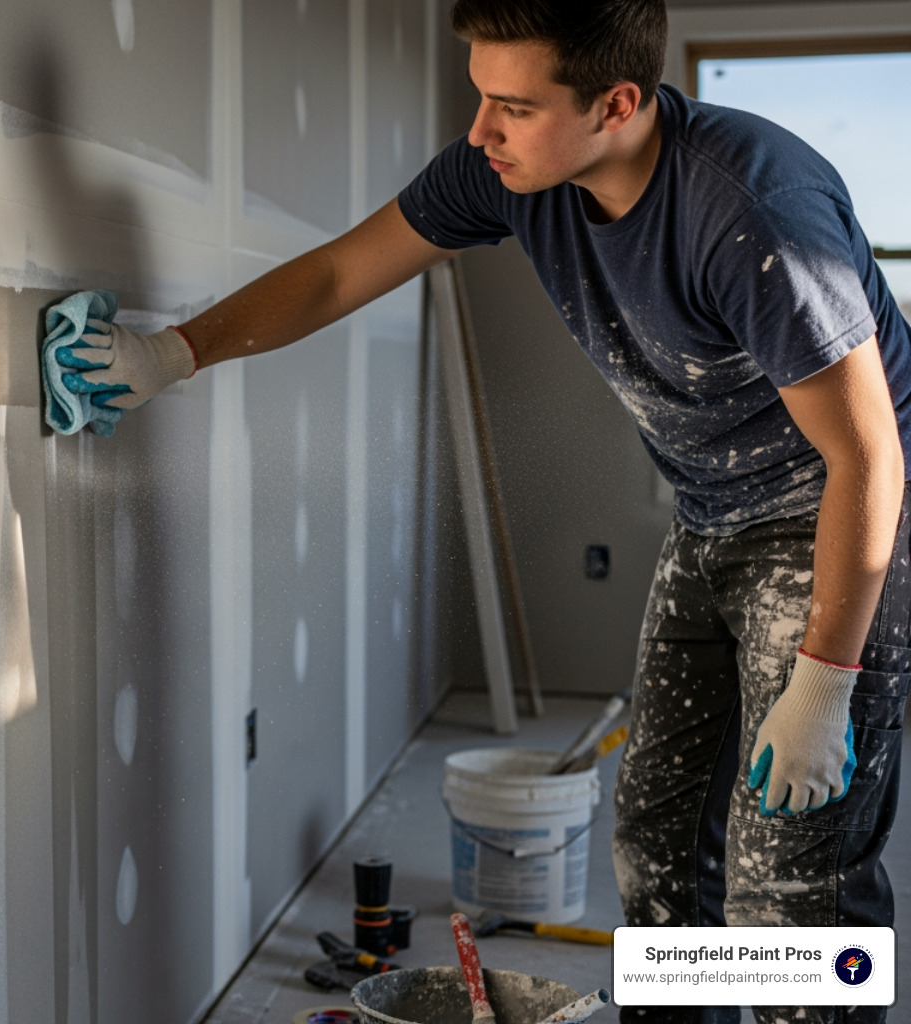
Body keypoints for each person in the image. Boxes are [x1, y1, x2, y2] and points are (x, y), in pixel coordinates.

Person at [57, 1, 911, 1021]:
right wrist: (172, 353)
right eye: (481, 96)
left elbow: (869, 455)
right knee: (654, 839)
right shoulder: (508, 174)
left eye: (513, 105)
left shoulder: (752, 209)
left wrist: (824, 681)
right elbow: (337, 272)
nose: (479, 131)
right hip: (711, 511)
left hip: (840, 513)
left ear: (618, 105)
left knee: (790, 868)